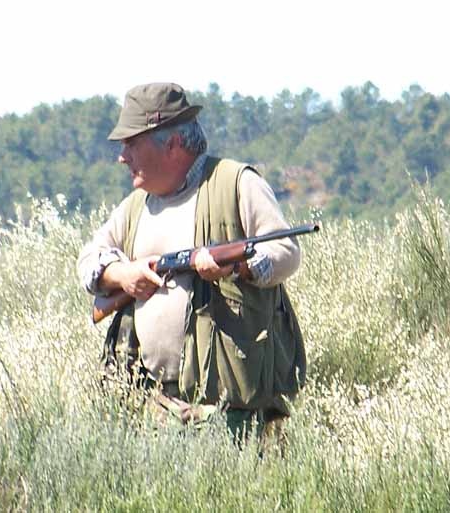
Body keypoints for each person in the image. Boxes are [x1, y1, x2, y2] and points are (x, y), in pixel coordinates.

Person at [77, 82, 306, 442]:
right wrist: (124, 275)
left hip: (232, 410)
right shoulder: (136, 206)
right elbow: (89, 261)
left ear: (170, 143)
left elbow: (285, 251)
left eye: (131, 143)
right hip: (153, 409)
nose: (122, 156)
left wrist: (236, 268)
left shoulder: (236, 184)